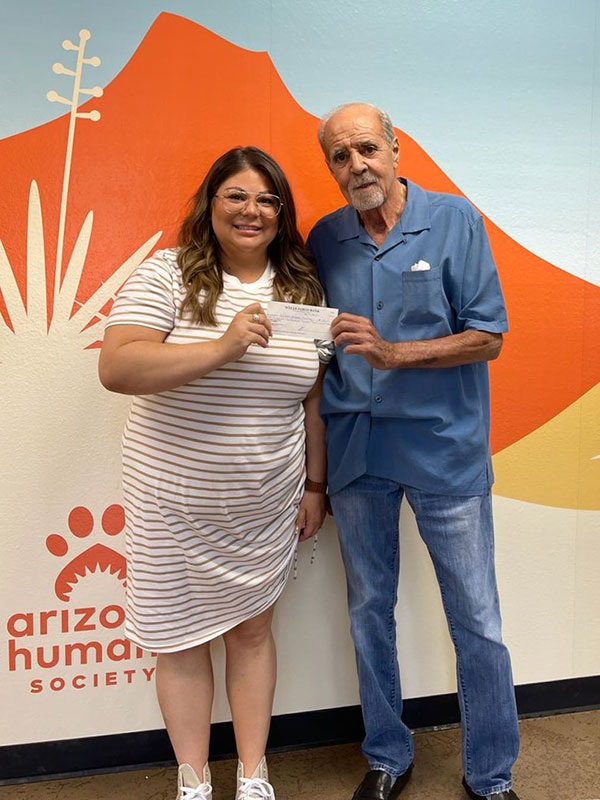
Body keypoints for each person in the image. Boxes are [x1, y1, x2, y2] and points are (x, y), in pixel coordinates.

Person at [99, 146, 329, 800]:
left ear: (281, 213)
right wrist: (223, 345)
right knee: (177, 640)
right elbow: (118, 368)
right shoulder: (167, 275)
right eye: (237, 196)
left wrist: (316, 486)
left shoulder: (303, 291)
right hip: (169, 502)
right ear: (212, 203)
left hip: (264, 504)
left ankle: (254, 774)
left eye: (267, 199)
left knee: (253, 632)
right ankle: (194, 780)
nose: (251, 211)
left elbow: (312, 401)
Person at [307, 103, 520, 800]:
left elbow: (488, 334)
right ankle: (387, 756)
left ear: (396, 148)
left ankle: (490, 775)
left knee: (477, 620)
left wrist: (397, 353)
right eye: (340, 156)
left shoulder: (455, 219)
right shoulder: (326, 238)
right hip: (357, 455)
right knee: (370, 609)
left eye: (366, 148)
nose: (355, 165)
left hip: (444, 453)